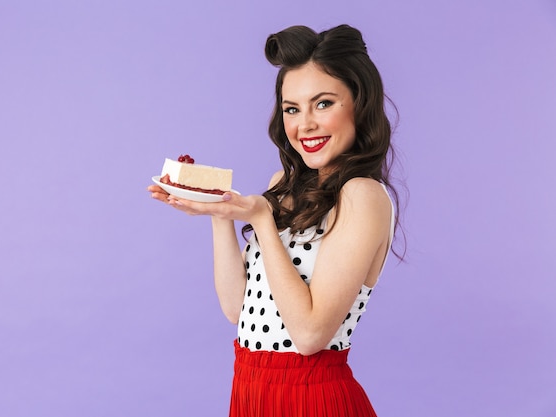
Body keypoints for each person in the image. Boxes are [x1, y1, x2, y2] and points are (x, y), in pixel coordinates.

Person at [148, 23, 402, 417]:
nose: (305, 125)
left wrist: (263, 221)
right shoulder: (282, 184)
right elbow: (237, 309)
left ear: (359, 103)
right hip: (251, 390)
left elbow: (310, 335)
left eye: (323, 103)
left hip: (311, 399)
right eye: (292, 109)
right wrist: (219, 211)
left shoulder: (362, 196)